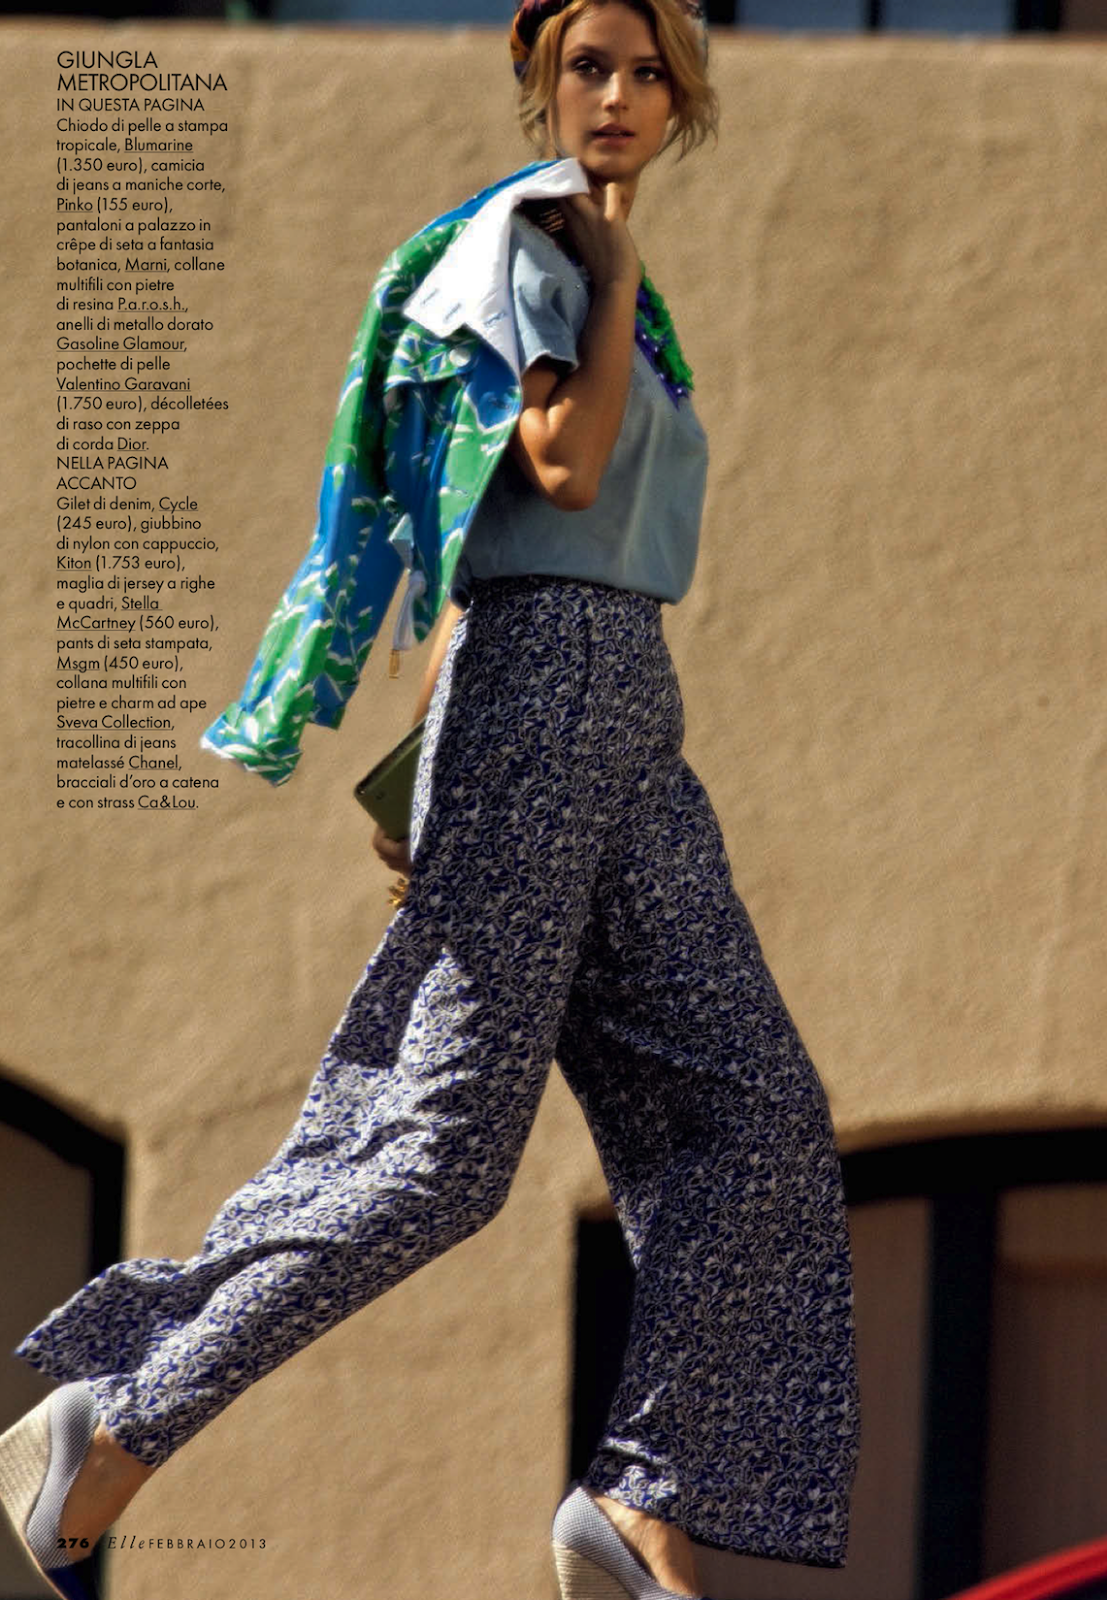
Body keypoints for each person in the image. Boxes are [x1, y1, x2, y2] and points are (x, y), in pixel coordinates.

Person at [0, 4, 859, 1599]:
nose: (616, 94)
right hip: (552, 691)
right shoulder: (535, 244)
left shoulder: (608, 278)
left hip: (615, 699)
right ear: (541, 80)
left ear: (683, 93)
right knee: (439, 1153)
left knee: (753, 1119)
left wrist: (422, 761)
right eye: (587, 65)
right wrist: (610, 269)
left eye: (646, 69)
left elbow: (466, 531)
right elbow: (562, 466)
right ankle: (114, 1422)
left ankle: (645, 1501)